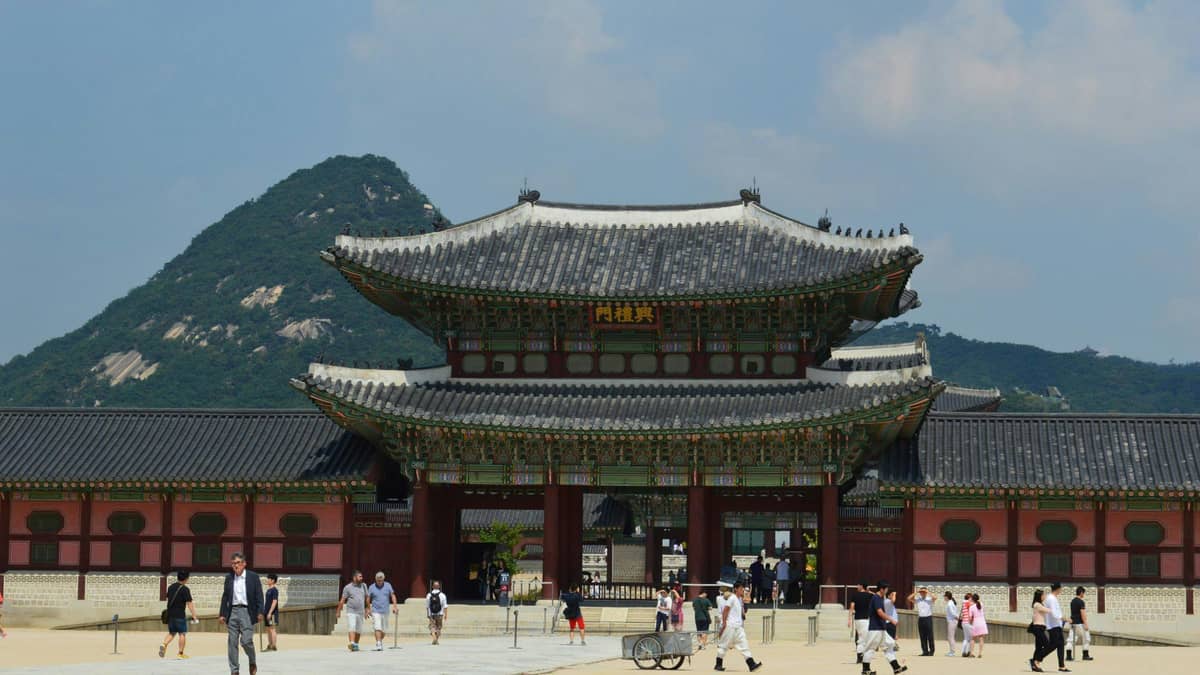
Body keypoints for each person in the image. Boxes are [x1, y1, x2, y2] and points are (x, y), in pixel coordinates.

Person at [218, 552, 264, 675]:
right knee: (232, 642)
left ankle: (252, 661)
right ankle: (234, 670)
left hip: (247, 611)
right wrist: (222, 614)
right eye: (233, 563)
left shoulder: (253, 577)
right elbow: (225, 597)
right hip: (232, 612)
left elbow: (259, 596)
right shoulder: (229, 577)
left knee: (246, 641)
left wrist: (260, 612)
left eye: (238, 563)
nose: (235, 565)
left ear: (244, 564)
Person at [860, 580, 906, 675]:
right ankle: (865, 670)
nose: (887, 591)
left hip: (881, 628)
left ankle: (896, 668)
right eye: (886, 589)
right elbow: (880, 612)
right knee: (871, 648)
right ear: (881, 589)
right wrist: (891, 620)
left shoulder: (880, 598)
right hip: (875, 628)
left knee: (889, 646)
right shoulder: (876, 598)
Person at [715, 581, 762, 672]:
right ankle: (718, 664)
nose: (742, 590)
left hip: (738, 626)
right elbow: (725, 610)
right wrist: (724, 623)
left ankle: (751, 664)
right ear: (736, 589)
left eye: (743, 589)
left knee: (744, 644)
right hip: (730, 625)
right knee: (724, 645)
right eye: (741, 589)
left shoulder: (739, 599)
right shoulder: (732, 598)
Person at [159, 570, 198, 659]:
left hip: (170, 615)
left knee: (172, 633)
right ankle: (180, 653)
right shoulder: (185, 589)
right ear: (186, 578)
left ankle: (164, 644)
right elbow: (189, 603)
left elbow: (169, 598)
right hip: (179, 615)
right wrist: (194, 615)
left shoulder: (171, 587)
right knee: (182, 633)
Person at [336, 570, 369, 652]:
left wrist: (367, 609)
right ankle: (352, 643)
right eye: (360, 576)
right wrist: (338, 611)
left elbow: (367, 597)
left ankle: (356, 645)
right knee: (352, 626)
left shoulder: (364, 586)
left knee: (358, 630)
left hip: (360, 611)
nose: (362, 578)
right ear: (354, 578)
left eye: (361, 576)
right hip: (351, 610)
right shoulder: (347, 587)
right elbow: (342, 600)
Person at [367, 571, 397, 651]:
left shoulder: (388, 585)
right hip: (375, 610)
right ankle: (378, 643)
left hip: (385, 610)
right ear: (375, 579)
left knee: (384, 629)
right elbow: (368, 598)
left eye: (381, 580)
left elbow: (392, 595)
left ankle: (379, 640)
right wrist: (368, 608)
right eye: (378, 580)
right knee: (377, 627)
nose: (379, 582)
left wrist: (394, 606)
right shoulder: (372, 587)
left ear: (383, 579)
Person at [1045, 582, 1069, 672]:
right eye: (1061, 588)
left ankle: (1061, 666)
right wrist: (1064, 618)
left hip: (1056, 625)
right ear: (1058, 589)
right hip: (1053, 625)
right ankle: (1037, 658)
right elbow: (1054, 613)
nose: (1061, 590)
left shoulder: (1052, 598)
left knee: (1060, 644)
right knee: (1053, 645)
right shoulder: (1051, 598)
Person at [849, 581, 873, 663]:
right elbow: (877, 596)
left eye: (858, 585)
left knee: (860, 637)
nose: (857, 586)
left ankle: (859, 656)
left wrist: (849, 619)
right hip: (865, 619)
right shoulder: (869, 596)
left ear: (862, 586)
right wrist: (869, 591)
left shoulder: (855, 595)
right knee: (864, 639)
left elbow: (851, 607)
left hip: (857, 619)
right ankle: (861, 656)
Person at [1066, 587, 1093, 662]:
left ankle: (1068, 656)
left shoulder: (1072, 601)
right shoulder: (1081, 602)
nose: (1084, 595)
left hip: (1073, 622)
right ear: (1081, 593)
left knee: (1071, 639)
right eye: (1083, 593)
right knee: (1086, 638)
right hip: (1080, 623)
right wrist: (1086, 624)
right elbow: (1082, 614)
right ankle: (1085, 655)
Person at [1030, 588, 1053, 673]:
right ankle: (1036, 661)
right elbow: (1048, 611)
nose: (1044, 596)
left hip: (1040, 628)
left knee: (1039, 647)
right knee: (1047, 645)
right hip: (1038, 628)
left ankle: (1034, 664)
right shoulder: (1037, 605)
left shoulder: (1040, 604)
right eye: (1043, 595)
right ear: (1039, 596)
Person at [426, 580, 449, 644]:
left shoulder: (429, 595)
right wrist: (446, 615)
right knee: (439, 627)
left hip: (431, 613)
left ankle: (434, 638)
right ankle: (436, 639)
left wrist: (428, 614)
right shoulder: (442, 595)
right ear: (439, 586)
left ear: (432, 586)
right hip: (440, 613)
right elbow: (445, 606)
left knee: (432, 626)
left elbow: (427, 606)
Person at [263, 573, 279, 652]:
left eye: (268, 579)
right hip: (266, 612)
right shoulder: (268, 590)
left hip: (272, 613)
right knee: (268, 629)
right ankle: (270, 645)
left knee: (272, 628)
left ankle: (274, 646)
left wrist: (270, 612)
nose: (267, 580)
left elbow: (274, 601)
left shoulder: (274, 590)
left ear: (272, 580)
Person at [969, 594, 988, 658]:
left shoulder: (971, 607)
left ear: (972, 599)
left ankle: (971, 653)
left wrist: (970, 623)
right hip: (982, 622)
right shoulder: (981, 604)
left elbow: (970, 618)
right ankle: (980, 653)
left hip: (976, 623)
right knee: (981, 638)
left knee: (973, 639)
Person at [943, 591, 958, 657]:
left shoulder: (949, 604)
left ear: (947, 597)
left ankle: (952, 651)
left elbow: (953, 613)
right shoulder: (951, 603)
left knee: (950, 637)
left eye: (944, 596)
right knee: (950, 637)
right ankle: (951, 651)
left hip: (952, 621)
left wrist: (957, 618)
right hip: (952, 621)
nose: (944, 597)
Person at [959, 592, 974, 657]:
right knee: (970, 638)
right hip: (968, 622)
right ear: (969, 598)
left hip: (964, 622)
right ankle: (968, 651)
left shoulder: (963, 603)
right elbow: (974, 606)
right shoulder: (968, 603)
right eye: (971, 598)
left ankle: (963, 651)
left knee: (966, 638)